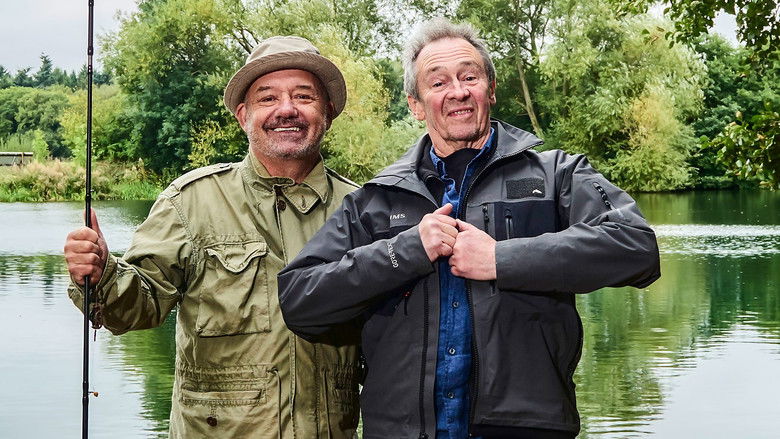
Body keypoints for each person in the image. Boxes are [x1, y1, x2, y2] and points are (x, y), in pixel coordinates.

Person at [278, 18, 661, 439]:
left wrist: (500, 258)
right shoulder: (376, 199)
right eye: (438, 82)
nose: (457, 91)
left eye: (469, 77)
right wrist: (404, 251)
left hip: (525, 429)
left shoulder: (558, 175)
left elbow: (636, 247)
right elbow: (299, 301)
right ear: (416, 105)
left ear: (490, 89)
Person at [64, 36, 361, 438]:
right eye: (268, 98)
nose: (286, 109)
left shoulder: (363, 210)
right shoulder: (190, 200)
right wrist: (102, 275)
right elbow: (138, 306)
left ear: (327, 112)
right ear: (243, 116)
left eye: (303, 96)